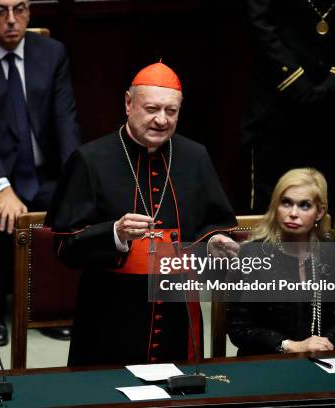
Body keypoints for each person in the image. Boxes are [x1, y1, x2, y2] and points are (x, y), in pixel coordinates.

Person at [46, 62, 238, 366]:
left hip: (178, 315)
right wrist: (115, 234)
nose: (161, 120)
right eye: (151, 109)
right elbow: (63, 245)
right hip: (110, 315)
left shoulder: (195, 156)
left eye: (171, 111)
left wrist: (214, 239)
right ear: (128, 103)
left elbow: (215, 223)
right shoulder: (89, 159)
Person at [0, 0, 81, 345]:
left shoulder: (52, 54)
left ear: (30, 12)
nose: (11, 20)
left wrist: (74, 180)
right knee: (0, 221)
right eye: (0, 10)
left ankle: (46, 308)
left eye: (19, 9)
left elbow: (66, 123)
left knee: (70, 211)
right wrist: (1, 187)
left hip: (42, 174)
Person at [241, 0, 335, 213]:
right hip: (278, 105)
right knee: (272, 205)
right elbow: (259, 22)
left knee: (331, 203)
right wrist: (295, 80)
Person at [227, 168, 335, 356]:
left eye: (305, 205)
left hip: (319, 359)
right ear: (275, 206)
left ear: (319, 212)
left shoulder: (332, 253)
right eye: (286, 203)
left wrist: (326, 343)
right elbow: (238, 328)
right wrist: (290, 346)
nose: (293, 213)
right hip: (265, 362)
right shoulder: (251, 255)